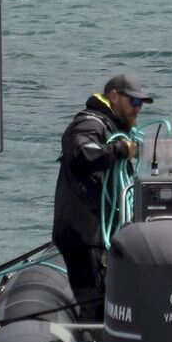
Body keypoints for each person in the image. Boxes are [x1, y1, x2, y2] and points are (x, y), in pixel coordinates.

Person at [50, 72, 152, 322]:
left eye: (140, 104)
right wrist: (121, 149)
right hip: (84, 231)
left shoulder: (109, 126)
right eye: (133, 102)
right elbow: (81, 153)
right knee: (94, 303)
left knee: (104, 298)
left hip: (95, 230)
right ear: (114, 96)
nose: (137, 109)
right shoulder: (90, 123)